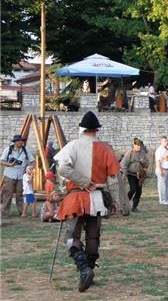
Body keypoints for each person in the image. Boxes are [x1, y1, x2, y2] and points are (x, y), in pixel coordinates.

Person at [54, 111, 121, 292]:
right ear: (97, 129)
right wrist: (115, 201)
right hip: (97, 199)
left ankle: (84, 269)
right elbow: (113, 178)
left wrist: (83, 182)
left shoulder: (73, 145)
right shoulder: (106, 148)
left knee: (71, 237)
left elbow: (62, 168)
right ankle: (88, 269)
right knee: (93, 236)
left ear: (83, 129)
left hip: (76, 198)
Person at [1, 134, 34, 218]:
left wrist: (29, 170)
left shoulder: (25, 150)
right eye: (19, 141)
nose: (21, 142)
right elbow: (1, 161)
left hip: (21, 176)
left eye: (21, 140)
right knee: (8, 194)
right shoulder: (8, 149)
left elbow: (32, 161)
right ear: (15, 142)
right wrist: (10, 164)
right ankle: (5, 213)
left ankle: (21, 212)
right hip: (9, 175)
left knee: (20, 194)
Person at [120, 138, 149, 212]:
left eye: (140, 146)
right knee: (133, 189)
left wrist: (143, 162)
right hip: (131, 174)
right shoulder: (130, 152)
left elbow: (147, 164)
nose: (139, 147)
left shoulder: (143, 153)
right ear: (134, 145)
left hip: (140, 175)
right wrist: (124, 173)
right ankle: (124, 204)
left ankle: (134, 207)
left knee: (139, 191)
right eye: (138, 145)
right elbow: (123, 164)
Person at [155, 136, 168, 205]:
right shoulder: (159, 150)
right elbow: (158, 161)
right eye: (165, 141)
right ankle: (162, 200)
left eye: (167, 141)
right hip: (162, 169)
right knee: (162, 186)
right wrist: (160, 170)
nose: (167, 142)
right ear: (161, 142)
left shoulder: (167, 150)